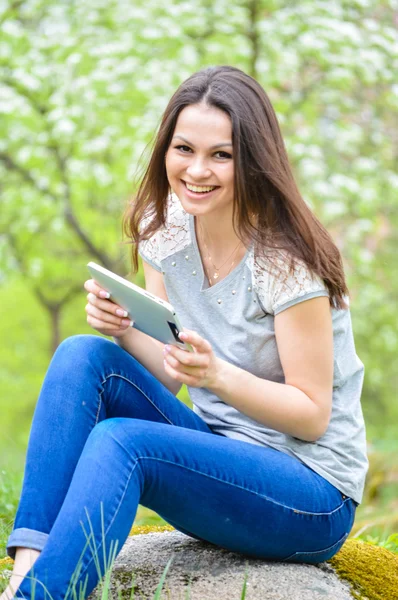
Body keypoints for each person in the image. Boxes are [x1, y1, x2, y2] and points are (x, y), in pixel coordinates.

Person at [2, 65, 368, 600]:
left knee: (123, 443)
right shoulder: (167, 231)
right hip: (220, 455)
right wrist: (125, 329)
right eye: (183, 149)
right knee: (83, 354)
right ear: (165, 150)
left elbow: (312, 416)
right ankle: (26, 572)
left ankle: (46, 596)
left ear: (255, 159)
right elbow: (168, 379)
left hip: (310, 494)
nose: (197, 170)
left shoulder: (288, 264)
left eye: (221, 154)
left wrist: (217, 375)